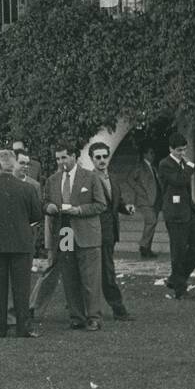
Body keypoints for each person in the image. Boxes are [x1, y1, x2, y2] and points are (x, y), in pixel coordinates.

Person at [0, 150, 42, 338]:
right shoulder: (28, 189)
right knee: (22, 288)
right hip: (22, 243)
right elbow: (37, 216)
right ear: (13, 166)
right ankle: (23, 327)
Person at [43, 142, 108, 329]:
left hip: (86, 233)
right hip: (64, 232)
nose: (61, 162)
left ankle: (94, 317)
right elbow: (45, 202)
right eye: (57, 158)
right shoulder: (53, 180)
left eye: (64, 157)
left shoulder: (90, 177)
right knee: (70, 277)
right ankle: (76, 316)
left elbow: (101, 204)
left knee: (90, 279)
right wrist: (49, 207)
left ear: (74, 157)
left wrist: (79, 210)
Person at [89, 141, 134, 320]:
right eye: (98, 157)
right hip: (96, 231)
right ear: (92, 160)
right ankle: (118, 308)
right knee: (106, 270)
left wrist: (126, 208)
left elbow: (117, 202)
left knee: (104, 269)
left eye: (104, 156)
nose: (102, 160)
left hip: (111, 231)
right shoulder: (89, 178)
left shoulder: (113, 177)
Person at [159, 132, 195, 299]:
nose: (182, 153)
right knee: (178, 252)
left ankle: (176, 278)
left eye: (184, 150)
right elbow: (179, 181)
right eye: (179, 150)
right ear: (171, 149)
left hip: (189, 211)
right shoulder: (165, 164)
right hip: (175, 213)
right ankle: (180, 289)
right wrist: (190, 168)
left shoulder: (183, 163)